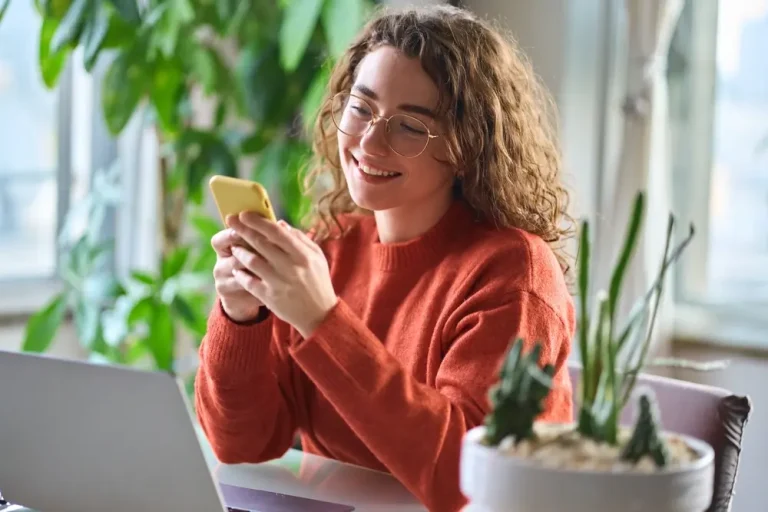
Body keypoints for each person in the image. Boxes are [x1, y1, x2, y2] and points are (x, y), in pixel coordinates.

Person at [195, 5, 575, 511]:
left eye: (411, 127)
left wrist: (322, 320)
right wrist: (241, 318)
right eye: (361, 107)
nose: (371, 141)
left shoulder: (514, 276)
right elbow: (241, 444)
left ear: (467, 146)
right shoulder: (327, 247)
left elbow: (465, 482)